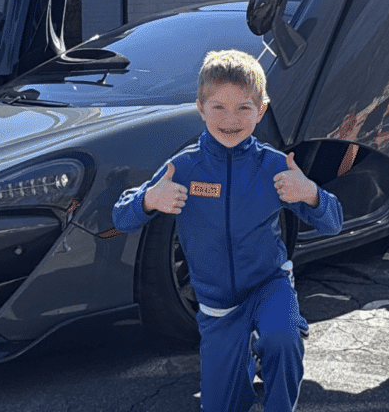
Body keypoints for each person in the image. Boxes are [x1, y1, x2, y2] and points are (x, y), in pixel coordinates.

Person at [112, 49, 343, 412]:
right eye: (218, 107)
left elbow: (333, 222)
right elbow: (121, 218)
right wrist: (148, 199)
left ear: (261, 110)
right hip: (218, 305)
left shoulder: (275, 166)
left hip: (269, 284)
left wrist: (312, 194)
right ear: (201, 108)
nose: (231, 120)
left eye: (243, 109)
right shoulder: (184, 167)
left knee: (282, 338)